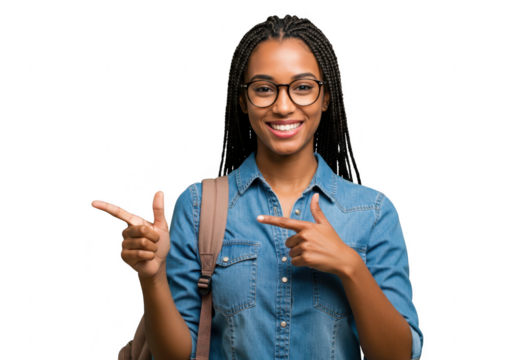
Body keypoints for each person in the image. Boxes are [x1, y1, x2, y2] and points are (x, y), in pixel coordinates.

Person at [92, 14, 423, 360]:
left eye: (303, 87)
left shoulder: (372, 211)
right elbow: (175, 356)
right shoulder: (199, 205)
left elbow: (398, 355)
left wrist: (350, 266)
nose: (283, 106)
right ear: (243, 100)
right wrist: (154, 277)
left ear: (326, 97)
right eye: (264, 89)